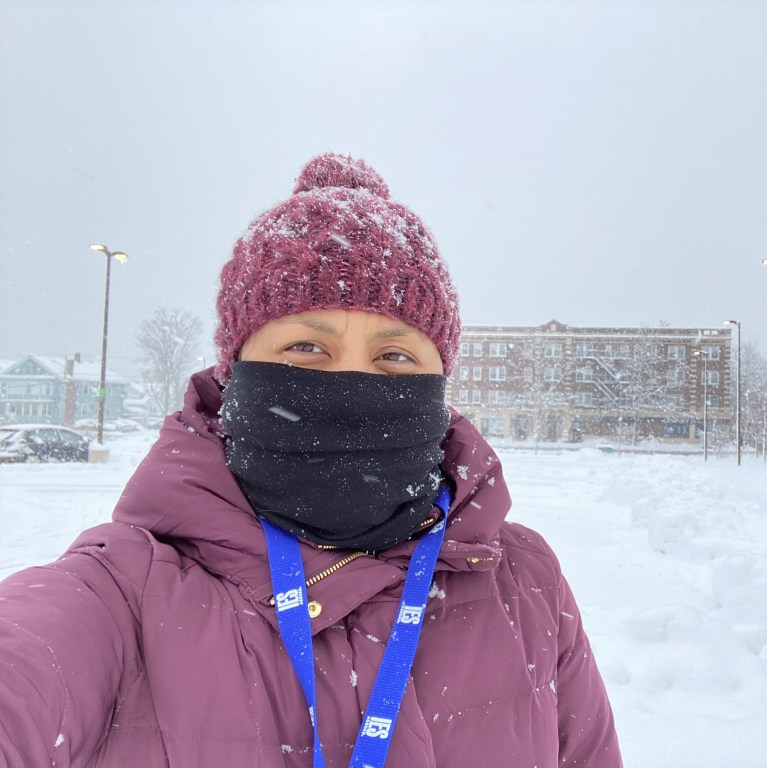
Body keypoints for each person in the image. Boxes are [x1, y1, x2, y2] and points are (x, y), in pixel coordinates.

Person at [0, 153, 622, 767]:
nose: (352, 383)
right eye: (305, 347)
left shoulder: (525, 582)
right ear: (237, 373)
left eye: (396, 358)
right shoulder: (121, 591)